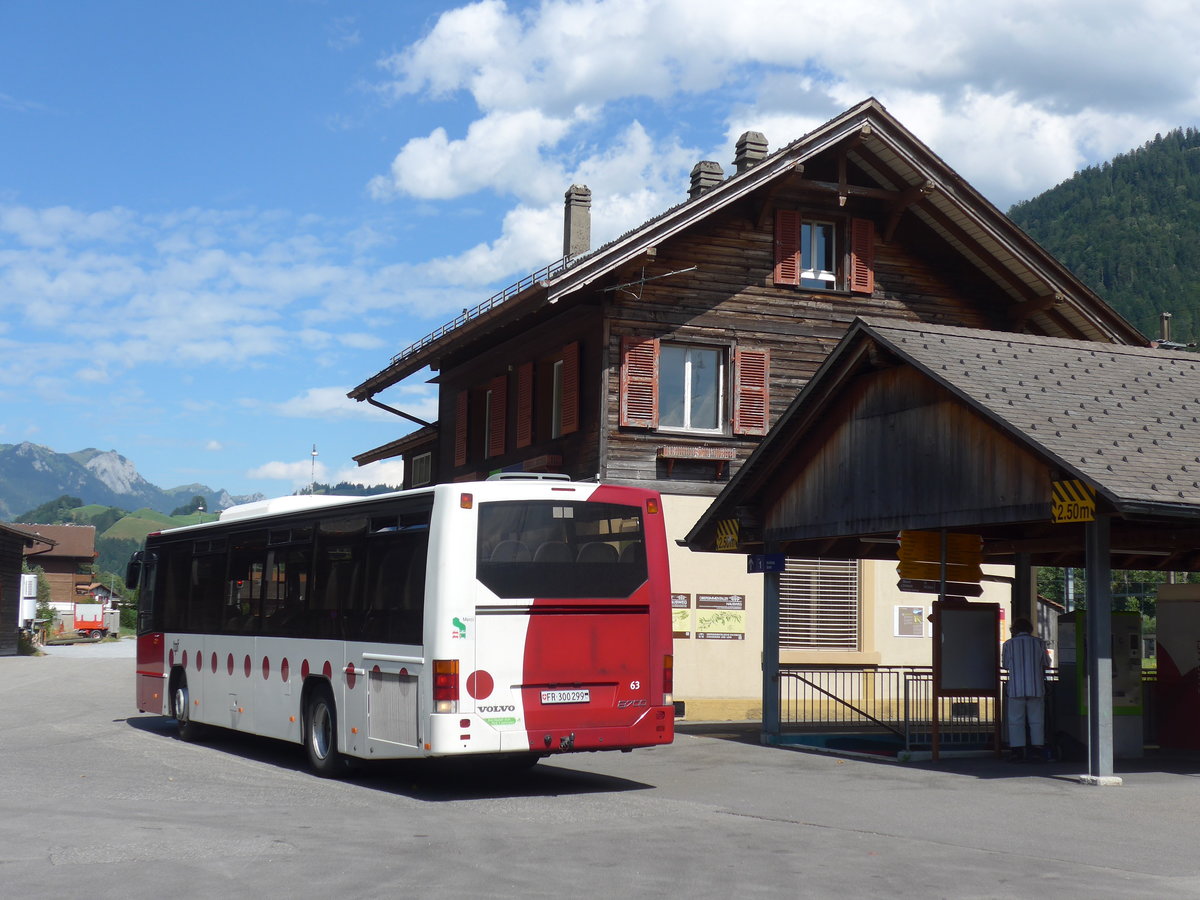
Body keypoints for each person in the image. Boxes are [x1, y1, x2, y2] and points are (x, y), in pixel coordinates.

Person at [1002, 616, 1051, 762]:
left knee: (1015, 720)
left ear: (1014, 629)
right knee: (1036, 720)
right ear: (1030, 629)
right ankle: (1037, 749)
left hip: (1016, 688)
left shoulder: (1008, 644)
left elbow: (1005, 665)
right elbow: (1047, 663)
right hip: (1036, 687)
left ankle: (1017, 751)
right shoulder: (1040, 643)